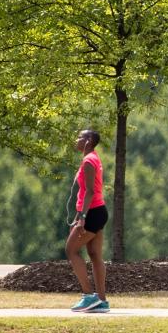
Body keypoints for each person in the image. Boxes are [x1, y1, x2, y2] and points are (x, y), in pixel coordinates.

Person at [65, 129, 109, 313]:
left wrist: (82, 218)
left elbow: (90, 191)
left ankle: (88, 295)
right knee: (94, 255)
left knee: (71, 250)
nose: (76, 139)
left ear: (89, 140)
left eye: (80, 136)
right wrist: (78, 214)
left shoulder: (89, 161)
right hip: (97, 211)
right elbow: (87, 193)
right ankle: (101, 301)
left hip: (92, 213)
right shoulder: (94, 158)